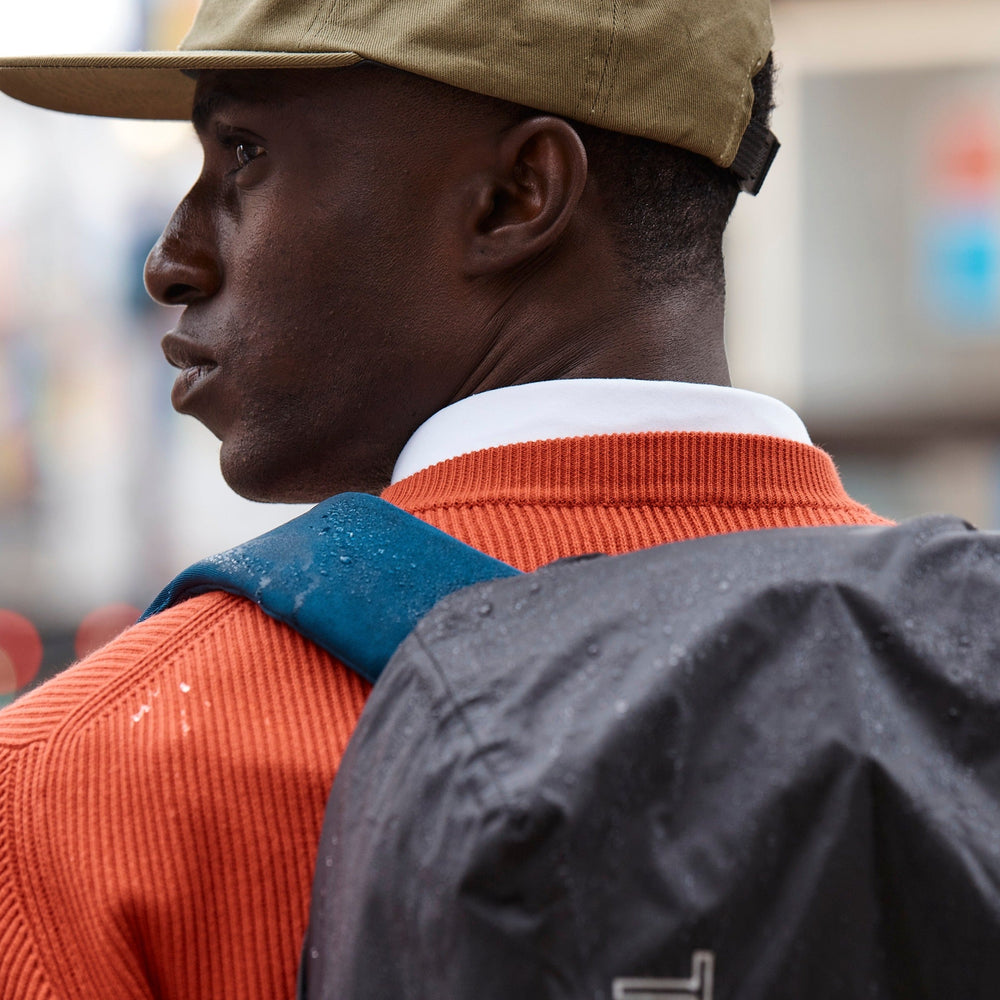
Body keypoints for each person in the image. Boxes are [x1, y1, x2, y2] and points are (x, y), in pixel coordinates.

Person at [0, 1, 887, 997]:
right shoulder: (946, 679)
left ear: (515, 195)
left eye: (243, 153)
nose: (170, 261)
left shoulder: (91, 785)